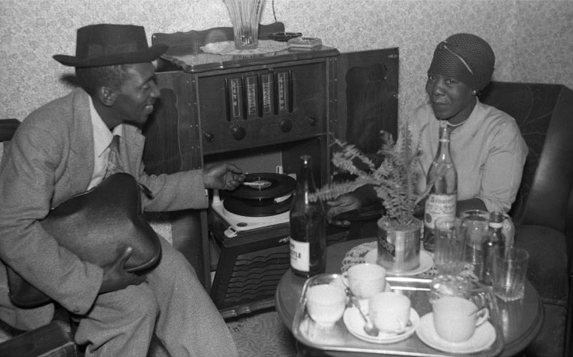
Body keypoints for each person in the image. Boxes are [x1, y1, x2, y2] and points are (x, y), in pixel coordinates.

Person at [0, 24, 244, 357]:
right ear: (108, 94)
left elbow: (135, 191)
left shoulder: (126, 127)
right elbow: (12, 230)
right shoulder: (43, 134)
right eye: (146, 85)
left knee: (178, 276)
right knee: (133, 306)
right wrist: (93, 281)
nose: (156, 93)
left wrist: (201, 180)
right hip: (42, 264)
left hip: (107, 240)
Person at [327, 33, 528, 230]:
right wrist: (360, 196)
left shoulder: (501, 131)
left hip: (473, 233)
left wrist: (431, 207)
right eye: (432, 77)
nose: (435, 89)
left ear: (474, 87)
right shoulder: (421, 118)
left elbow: (495, 204)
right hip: (418, 226)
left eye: (450, 81)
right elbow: (393, 171)